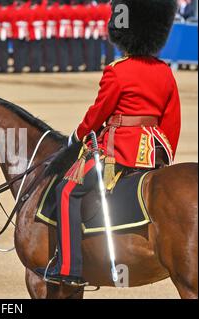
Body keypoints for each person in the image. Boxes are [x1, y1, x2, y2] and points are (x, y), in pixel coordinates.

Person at [36, 0, 181, 286]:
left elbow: (98, 114)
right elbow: (172, 120)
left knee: (66, 192)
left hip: (119, 150)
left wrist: (77, 137)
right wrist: (163, 157)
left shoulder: (118, 71)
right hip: (153, 151)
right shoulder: (164, 71)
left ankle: (68, 268)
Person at [44, 0, 60, 73]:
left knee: (48, 49)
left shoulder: (45, 10)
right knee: (52, 49)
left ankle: (49, 66)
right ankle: (51, 65)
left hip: (49, 31)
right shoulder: (56, 9)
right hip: (52, 31)